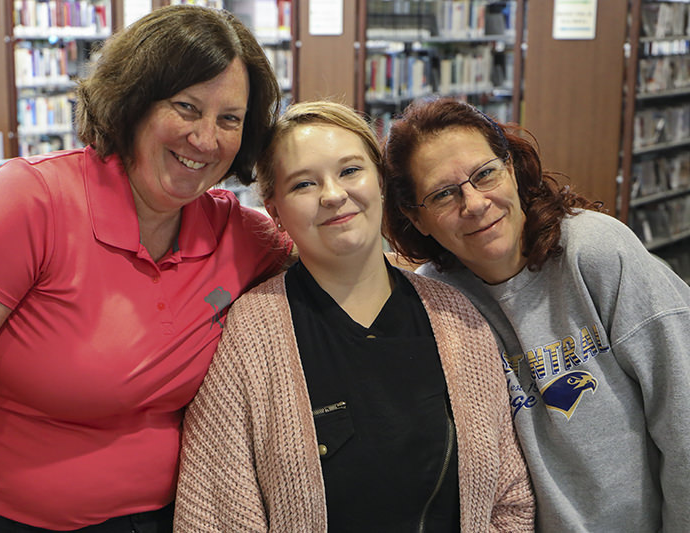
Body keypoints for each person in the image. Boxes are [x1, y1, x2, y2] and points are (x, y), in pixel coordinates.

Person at [0, 5, 293, 532]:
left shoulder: (239, 235)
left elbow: (340, 254)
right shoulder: (31, 202)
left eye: (230, 119)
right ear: (134, 103)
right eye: (186, 107)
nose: (206, 138)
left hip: (168, 519)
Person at [173, 100, 534, 532]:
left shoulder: (456, 316)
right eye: (304, 184)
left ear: (381, 183)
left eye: (349, 171)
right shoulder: (251, 334)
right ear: (275, 213)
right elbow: (214, 517)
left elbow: (510, 502)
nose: (333, 194)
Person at [382, 97, 690, 532]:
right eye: (443, 194)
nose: (473, 203)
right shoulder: (437, 302)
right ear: (418, 218)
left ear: (511, 169)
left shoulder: (595, 252)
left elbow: (682, 413)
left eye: (484, 174)